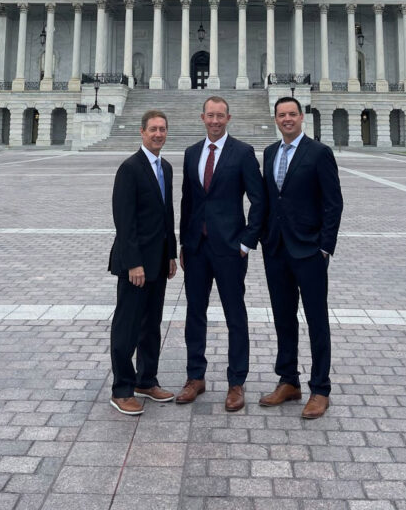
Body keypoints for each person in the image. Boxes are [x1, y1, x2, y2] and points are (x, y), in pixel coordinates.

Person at [177, 96, 265, 411]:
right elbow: (188, 201)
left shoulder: (242, 153)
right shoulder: (191, 154)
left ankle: (236, 382)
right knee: (194, 315)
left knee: (235, 316)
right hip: (197, 249)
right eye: (210, 115)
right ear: (202, 117)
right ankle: (195, 377)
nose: (214, 121)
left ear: (229, 118)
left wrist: (246, 242)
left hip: (230, 249)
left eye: (220, 116)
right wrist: (183, 243)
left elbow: (259, 199)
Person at [260, 96, 343, 419]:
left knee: (317, 320)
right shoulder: (270, 153)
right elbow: (268, 200)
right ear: (276, 118)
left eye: (292, 114)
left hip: (309, 250)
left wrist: (324, 247)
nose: (287, 119)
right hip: (277, 249)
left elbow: (333, 203)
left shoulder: (319, 153)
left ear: (302, 117)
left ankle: (320, 388)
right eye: (282, 115)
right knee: (283, 317)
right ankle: (288, 380)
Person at [108, 110, 177, 415]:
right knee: (128, 326)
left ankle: (146, 380)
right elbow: (124, 221)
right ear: (142, 132)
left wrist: (172, 253)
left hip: (159, 260)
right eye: (153, 130)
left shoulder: (167, 168)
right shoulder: (130, 168)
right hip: (135, 264)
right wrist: (133, 263)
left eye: (162, 129)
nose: (158, 134)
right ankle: (122, 388)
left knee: (151, 325)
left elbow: (167, 215)